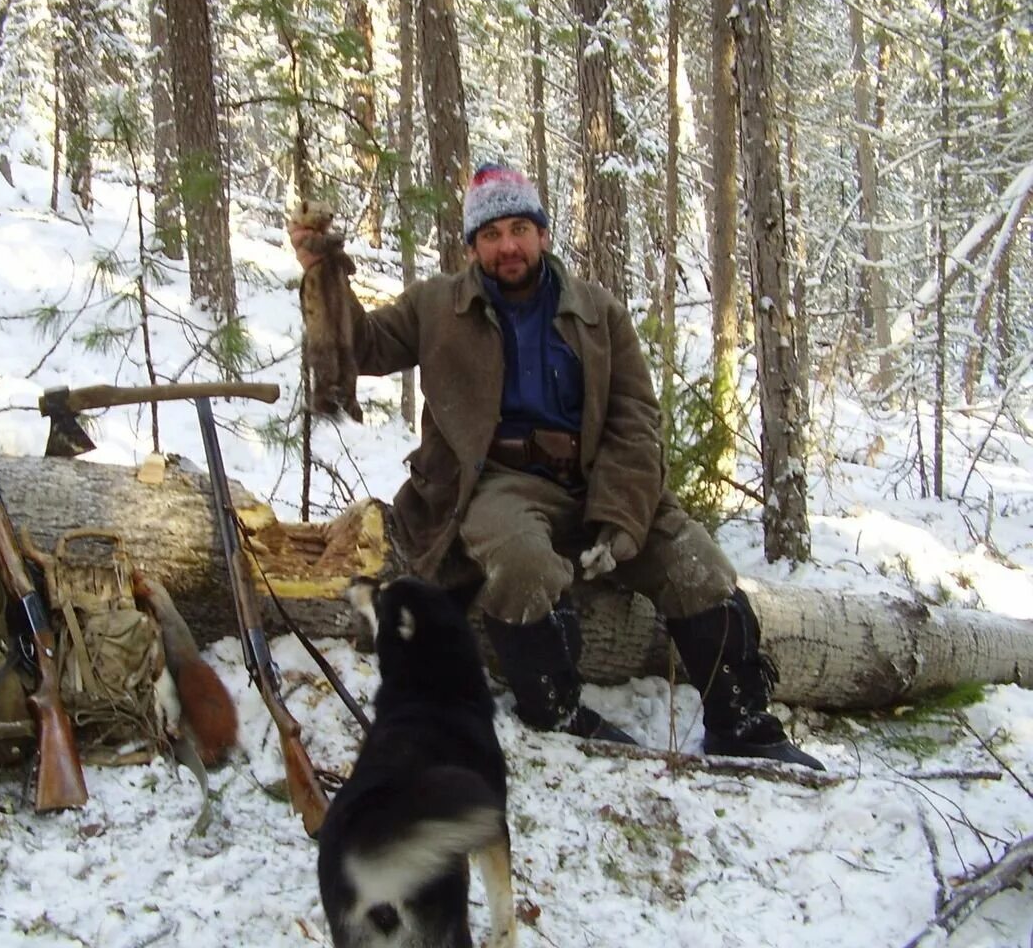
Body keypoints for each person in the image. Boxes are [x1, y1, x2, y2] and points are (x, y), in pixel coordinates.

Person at [289, 163, 823, 770]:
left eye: (520, 228)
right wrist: (323, 274)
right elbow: (361, 346)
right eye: (491, 235)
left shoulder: (598, 313)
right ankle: (555, 709)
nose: (508, 245)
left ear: (543, 234)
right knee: (521, 562)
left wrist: (620, 521)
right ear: (472, 247)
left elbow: (634, 421)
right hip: (495, 483)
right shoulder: (436, 306)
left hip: (597, 478)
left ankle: (743, 722)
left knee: (697, 564)